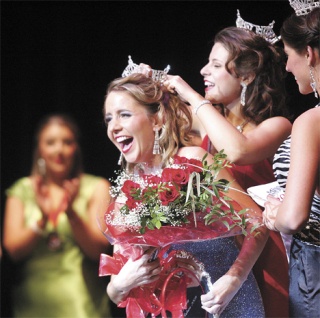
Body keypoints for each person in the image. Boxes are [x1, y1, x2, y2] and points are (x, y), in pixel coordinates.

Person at [142, 24, 291, 317]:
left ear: (246, 75)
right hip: (225, 253)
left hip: (266, 250)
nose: (203, 70)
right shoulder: (209, 122)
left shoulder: (277, 125)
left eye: (216, 65)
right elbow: (160, 114)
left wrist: (191, 94)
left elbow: (238, 151)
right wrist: (147, 83)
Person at [103, 72, 269, 317]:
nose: (114, 127)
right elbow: (116, 292)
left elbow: (257, 223)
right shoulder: (124, 194)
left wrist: (234, 279)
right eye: (108, 119)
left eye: (124, 115)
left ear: (156, 120)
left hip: (224, 301)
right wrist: (119, 285)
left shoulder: (192, 161)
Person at [3, 113, 112, 317]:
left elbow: (99, 251)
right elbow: (13, 251)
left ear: (76, 148)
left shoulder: (96, 187)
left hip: (80, 302)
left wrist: (71, 214)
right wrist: (42, 220)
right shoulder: (22, 190)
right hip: (32, 302)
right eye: (51, 142)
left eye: (67, 142)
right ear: (40, 150)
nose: (59, 150)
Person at [263, 6, 320, 317]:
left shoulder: (311, 122)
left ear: (309, 53)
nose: (286, 68)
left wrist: (275, 215)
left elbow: (294, 218)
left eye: (287, 55)